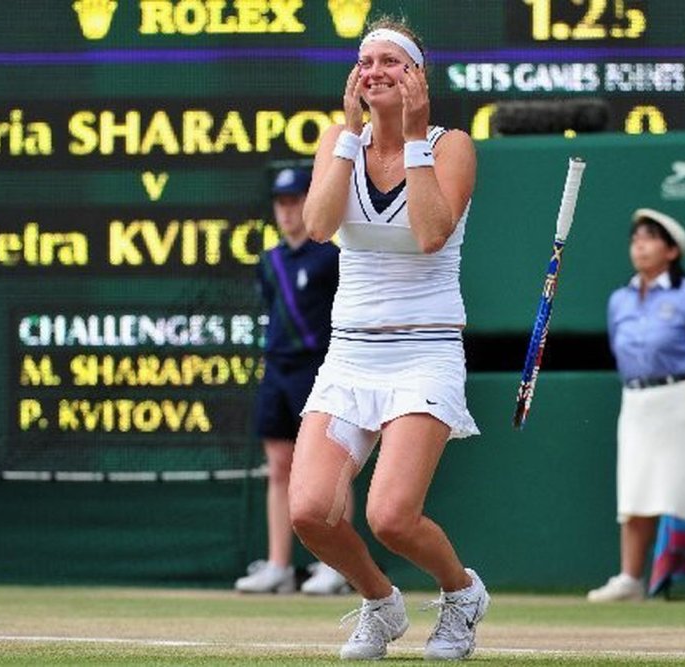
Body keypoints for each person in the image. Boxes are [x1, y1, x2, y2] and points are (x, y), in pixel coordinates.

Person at [287, 17, 489, 661]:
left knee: (391, 517)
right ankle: (381, 603)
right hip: (349, 354)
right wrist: (350, 135)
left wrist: (414, 136)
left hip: (424, 354)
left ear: (417, 77)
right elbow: (319, 226)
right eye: (366, 61)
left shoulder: (452, 146)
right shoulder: (337, 140)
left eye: (391, 61)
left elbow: (430, 233)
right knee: (309, 511)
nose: (375, 71)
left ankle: (461, 593)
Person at [588, 208, 685, 604]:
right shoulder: (619, 300)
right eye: (635, 239)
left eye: (650, 238)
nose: (639, 246)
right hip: (637, 402)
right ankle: (630, 579)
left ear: (672, 251)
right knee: (635, 489)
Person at [234, 166, 353, 596]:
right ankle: (279, 566)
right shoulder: (269, 262)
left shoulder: (332, 258)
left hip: (319, 369)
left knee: (330, 467)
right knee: (279, 467)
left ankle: (336, 567)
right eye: (281, 203)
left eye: (295, 201)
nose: (287, 211)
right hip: (277, 371)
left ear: (310, 202)